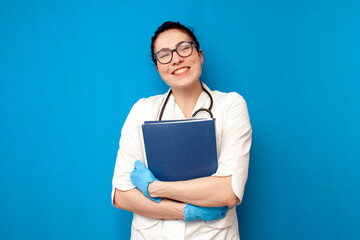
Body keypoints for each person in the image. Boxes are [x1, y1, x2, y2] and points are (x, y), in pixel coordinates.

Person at [111, 21, 252, 239]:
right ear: (158, 68)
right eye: (164, 55)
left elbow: (228, 192)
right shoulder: (141, 110)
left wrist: (153, 188)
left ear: (200, 55)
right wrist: (186, 212)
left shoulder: (231, 105)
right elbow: (122, 195)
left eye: (184, 48)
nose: (176, 58)